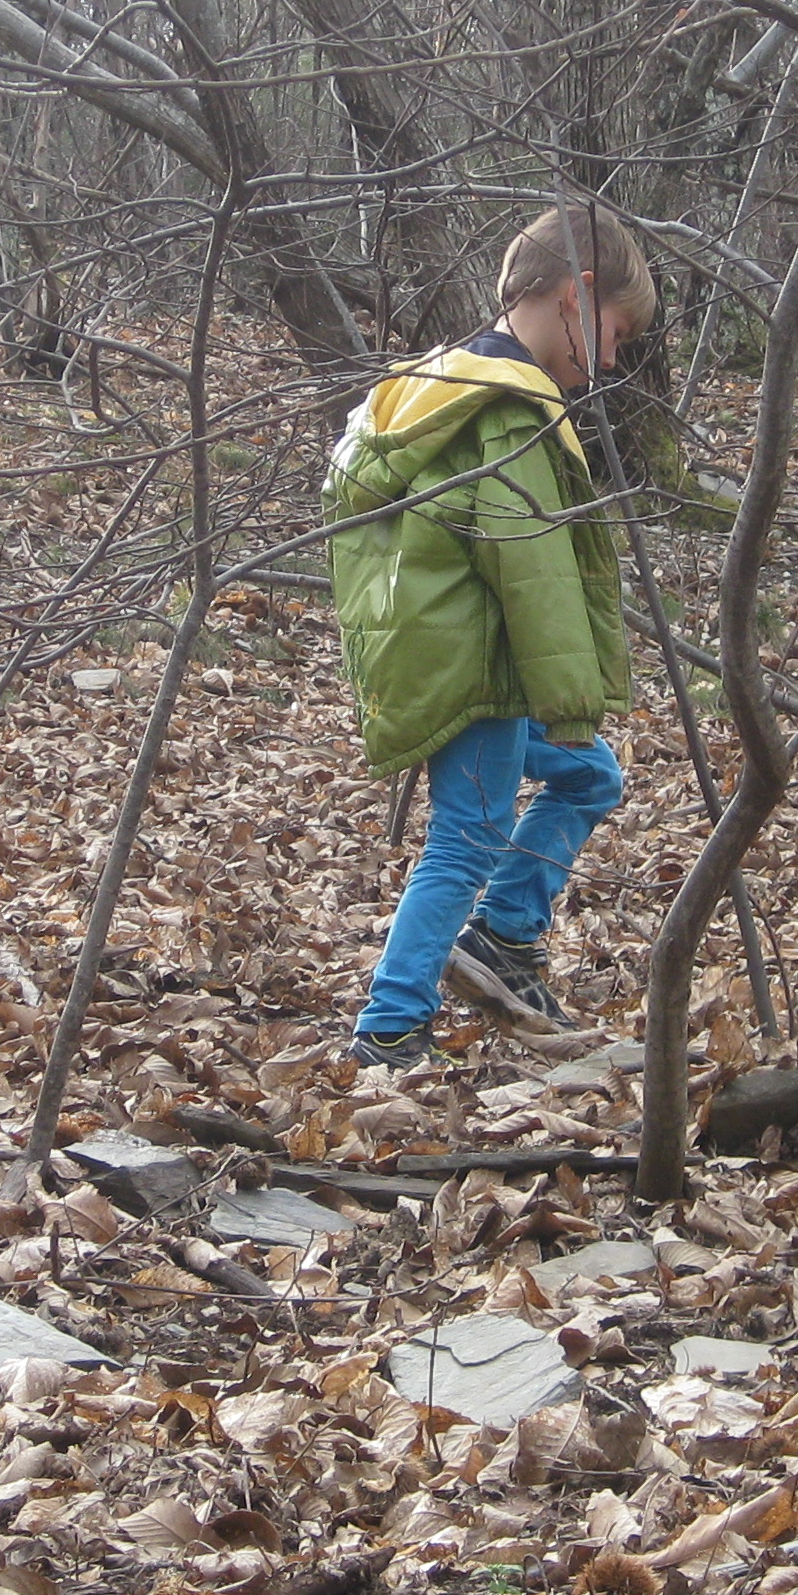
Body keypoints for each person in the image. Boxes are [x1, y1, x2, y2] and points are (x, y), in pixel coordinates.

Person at [326, 204, 654, 1069]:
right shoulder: (510, 408)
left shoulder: (431, 384)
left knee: (588, 775)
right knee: (467, 833)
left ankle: (504, 939)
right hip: (479, 664)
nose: (612, 360)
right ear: (575, 297)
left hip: (440, 649)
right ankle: (389, 1027)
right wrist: (573, 696)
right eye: (614, 333)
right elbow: (534, 569)